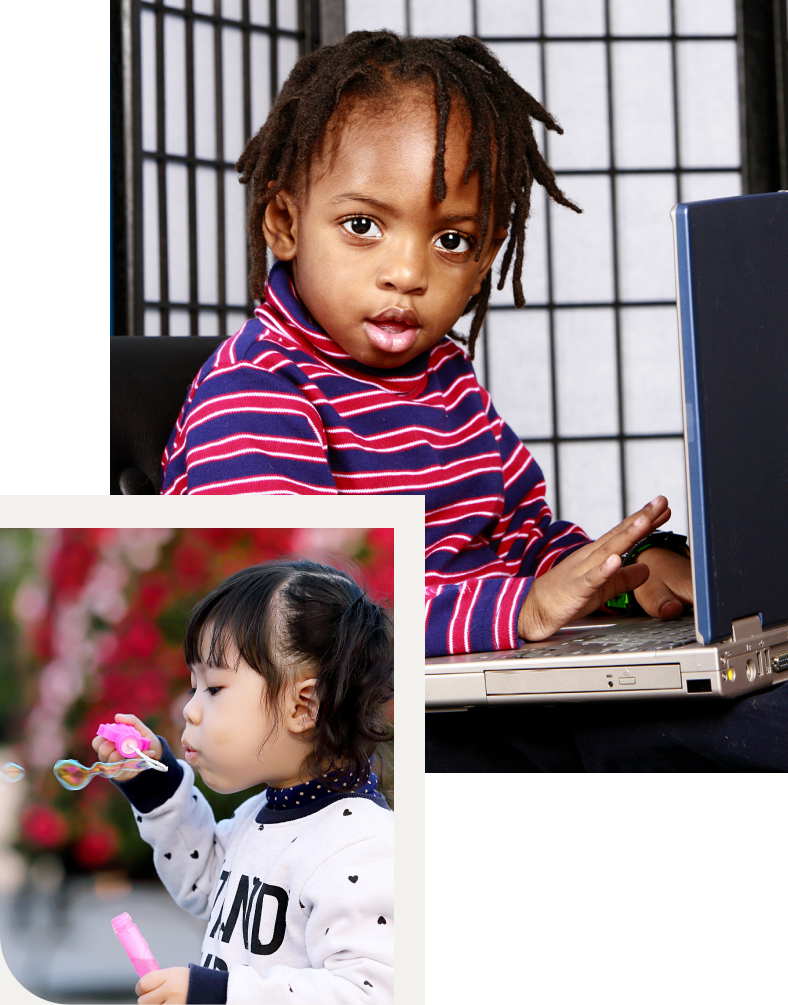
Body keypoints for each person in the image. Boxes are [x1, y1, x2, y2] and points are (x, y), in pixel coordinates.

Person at [160, 30, 694, 652]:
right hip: (386, 717)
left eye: (451, 241)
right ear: (285, 224)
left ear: (485, 257)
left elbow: (522, 537)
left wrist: (617, 574)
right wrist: (521, 608)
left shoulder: (450, 382)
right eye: (363, 226)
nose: (409, 274)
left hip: (485, 678)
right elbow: (302, 618)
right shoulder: (254, 393)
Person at [93, 560, 393, 1004]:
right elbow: (203, 881)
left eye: (213, 688)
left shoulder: (361, 846)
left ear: (304, 706)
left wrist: (222, 995)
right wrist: (155, 788)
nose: (190, 710)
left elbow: (369, 992)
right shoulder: (260, 816)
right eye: (194, 687)